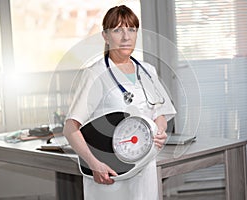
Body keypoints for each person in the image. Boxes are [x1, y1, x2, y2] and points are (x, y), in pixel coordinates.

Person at [63, 5, 176, 200]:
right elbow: (70, 128)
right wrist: (94, 164)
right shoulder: (95, 74)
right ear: (105, 36)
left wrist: (159, 131)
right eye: (117, 30)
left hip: (145, 165)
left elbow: (160, 113)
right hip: (109, 171)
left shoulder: (147, 70)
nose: (126, 37)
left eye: (131, 29)